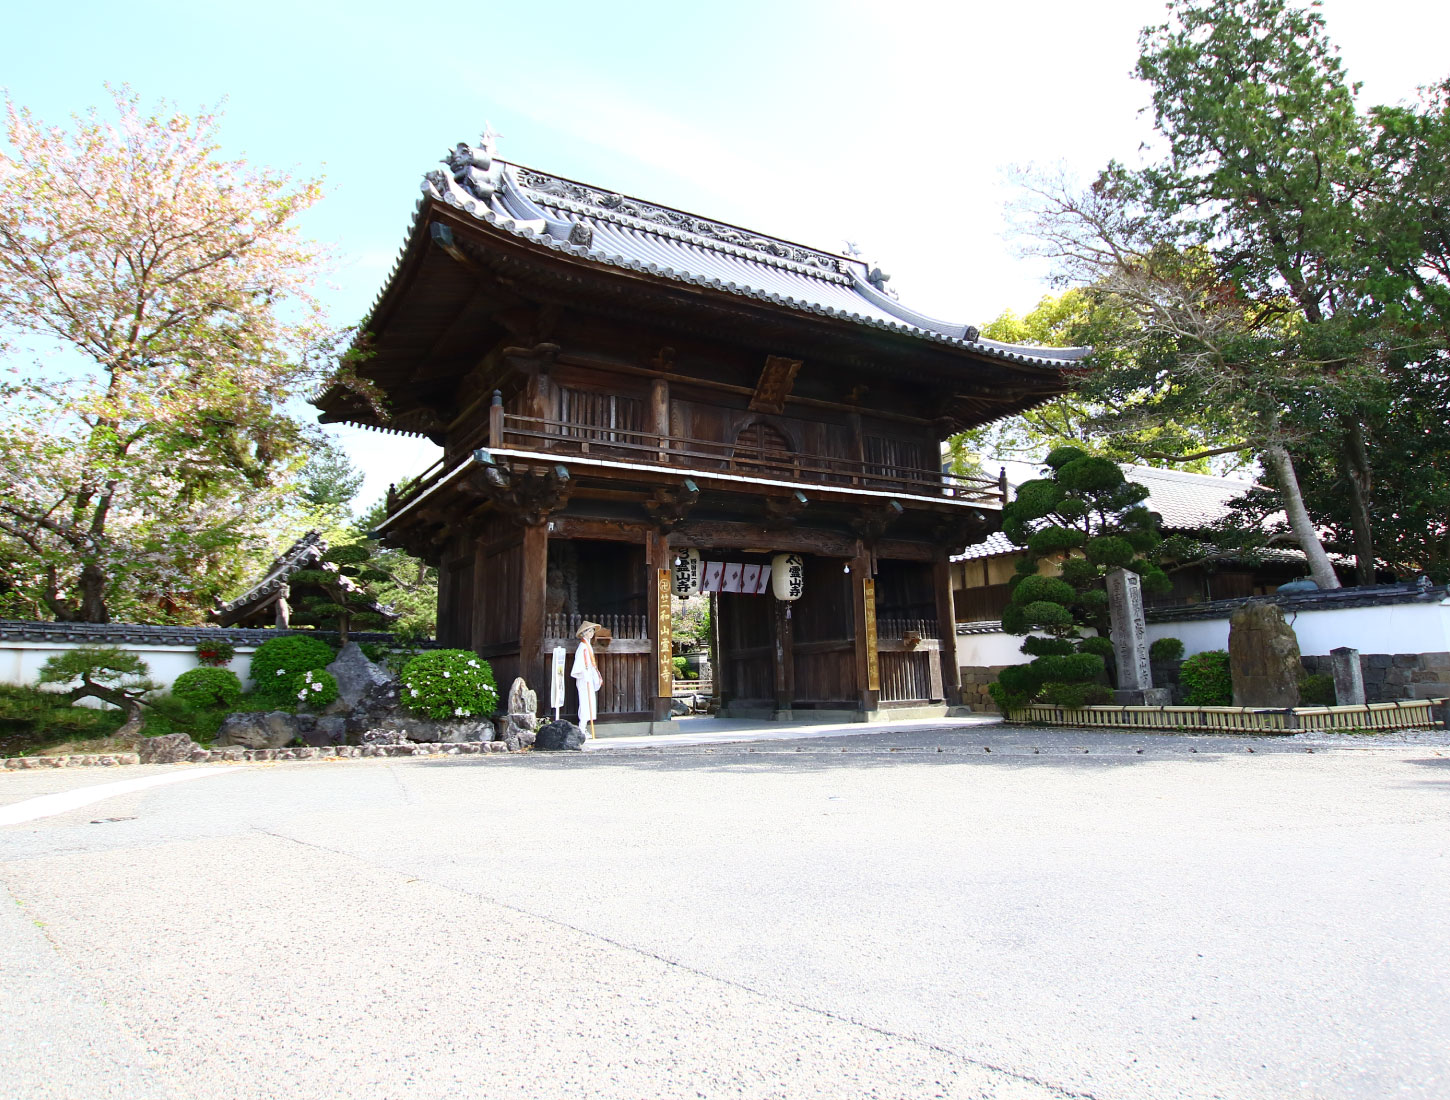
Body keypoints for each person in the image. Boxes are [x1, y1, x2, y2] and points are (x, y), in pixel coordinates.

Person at [572, 620, 603, 738]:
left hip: (588, 677)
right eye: (589, 631)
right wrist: (585, 675)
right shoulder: (583, 647)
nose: (591, 633)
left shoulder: (587, 646)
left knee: (588, 702)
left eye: (592, 631)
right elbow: (580, 665)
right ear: (584, 633)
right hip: (584, 678)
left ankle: (583, 727)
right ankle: (582, 728)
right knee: (585, 703)